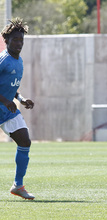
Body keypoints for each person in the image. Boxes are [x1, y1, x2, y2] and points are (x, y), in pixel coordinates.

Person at [0, 17, 35, 200]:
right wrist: (5, 101)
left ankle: (18, 185)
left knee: (25, 142)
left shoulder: (19, 61)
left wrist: (21, 99)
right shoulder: (3, 60)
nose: (19, 43)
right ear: (6, 40)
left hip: (7, 111)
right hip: (4, 106)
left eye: (21, 40)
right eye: (15, 40)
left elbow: (12, 87)